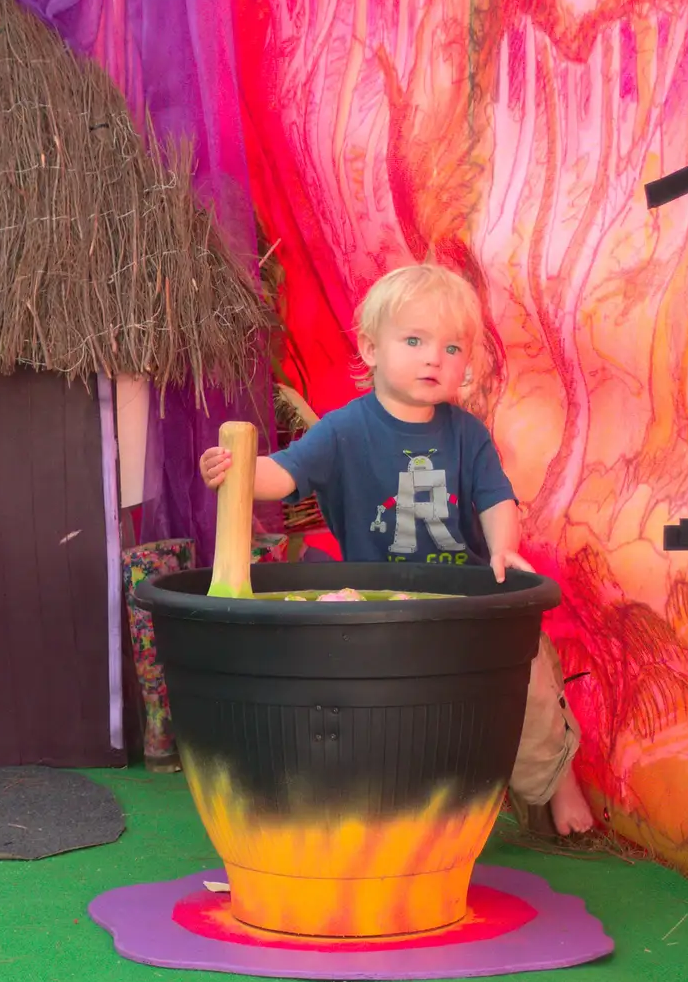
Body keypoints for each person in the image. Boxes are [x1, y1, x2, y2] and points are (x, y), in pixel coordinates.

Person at [200, 263, 595, 835]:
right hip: (378, 604)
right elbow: (284, 476)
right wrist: (240, 470)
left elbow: (497, 500)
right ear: (371, 348)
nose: (434, 358)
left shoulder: (467, 434)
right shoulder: (343, 430)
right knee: (369, 693)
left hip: (465, 599)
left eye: (452, 347)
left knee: (530, 675)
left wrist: (504, 549)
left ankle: (558, 787)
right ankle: (384, 801)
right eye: (414, 341)